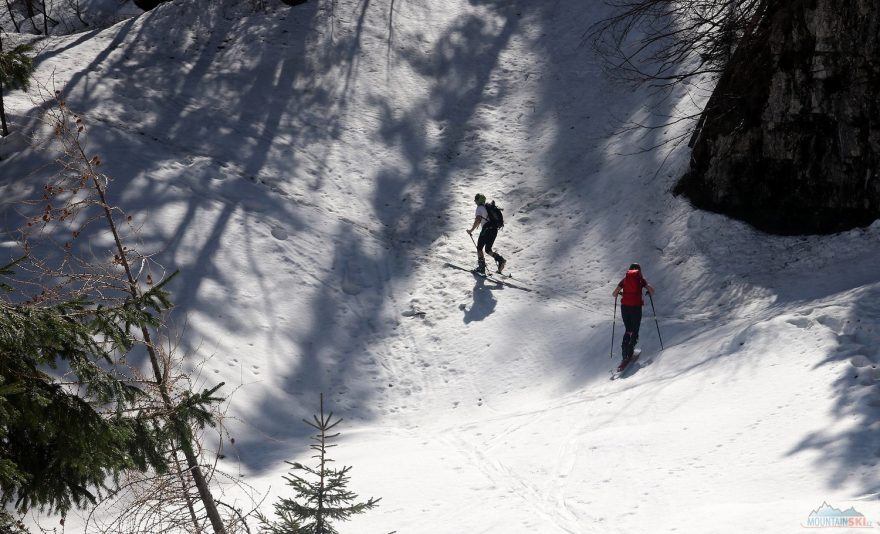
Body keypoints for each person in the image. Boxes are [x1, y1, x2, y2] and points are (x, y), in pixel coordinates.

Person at [612, 263, 655, 370]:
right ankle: (629, 352)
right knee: (635, 329)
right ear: (639, 270)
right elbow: (652, 291)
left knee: (628, 329)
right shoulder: (641, 279)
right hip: (636, 308)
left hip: (625, 307)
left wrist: (623, 294)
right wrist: (648, 293)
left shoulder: (625, 279)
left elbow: (614, 293)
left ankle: (624, 352)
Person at [467, 193, 506, 275]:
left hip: (486, 229)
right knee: (488, 250)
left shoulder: (479, 208)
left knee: (479, 248)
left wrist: (471, 230)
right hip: (494, 230)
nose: (475, 201)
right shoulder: (487, 208)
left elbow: (478, 220)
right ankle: (500, 260)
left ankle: (481, 268)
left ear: (479, 200)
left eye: (476, 199)